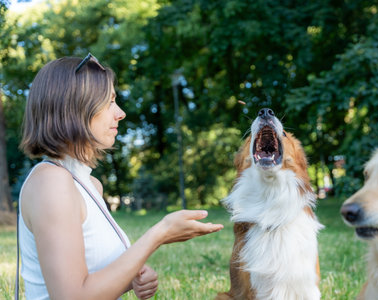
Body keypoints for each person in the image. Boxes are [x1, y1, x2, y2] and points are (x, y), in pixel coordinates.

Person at [18, 54, 224, 300]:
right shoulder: (51, 182)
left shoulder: (89, 185)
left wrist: (132, 274)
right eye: (109, 101)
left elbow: (88, 276)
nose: (121, 113)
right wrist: (158, 235)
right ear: (74, 107)